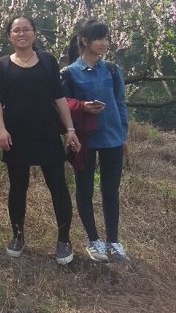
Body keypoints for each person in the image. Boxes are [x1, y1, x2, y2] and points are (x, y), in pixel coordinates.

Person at [0, 15, 81, 265]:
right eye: (16, 30)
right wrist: (0, 129)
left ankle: (64, 240)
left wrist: (70, 129)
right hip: (16, 134)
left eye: (26, 29)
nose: (22, 34)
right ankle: (17, 236)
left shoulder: (48, 60)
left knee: (58, 187)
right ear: (9, 36)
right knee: (18, 187)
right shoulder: (2, 65)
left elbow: (58, 98)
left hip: (47, 133)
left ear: (34, 33)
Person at [62, 19, 129, 263]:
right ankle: (93, 239)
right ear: (84, 41)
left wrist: (124, 135)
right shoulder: (69, 73)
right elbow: (62, 106)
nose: (104, 43)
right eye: (99, 38)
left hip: (113, 138)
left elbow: (120, 103)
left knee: (111, 190)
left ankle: (113, 240)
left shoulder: (112, 69)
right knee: (85, 189)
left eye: (106, 38)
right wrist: (83, 107)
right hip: (85, 139)